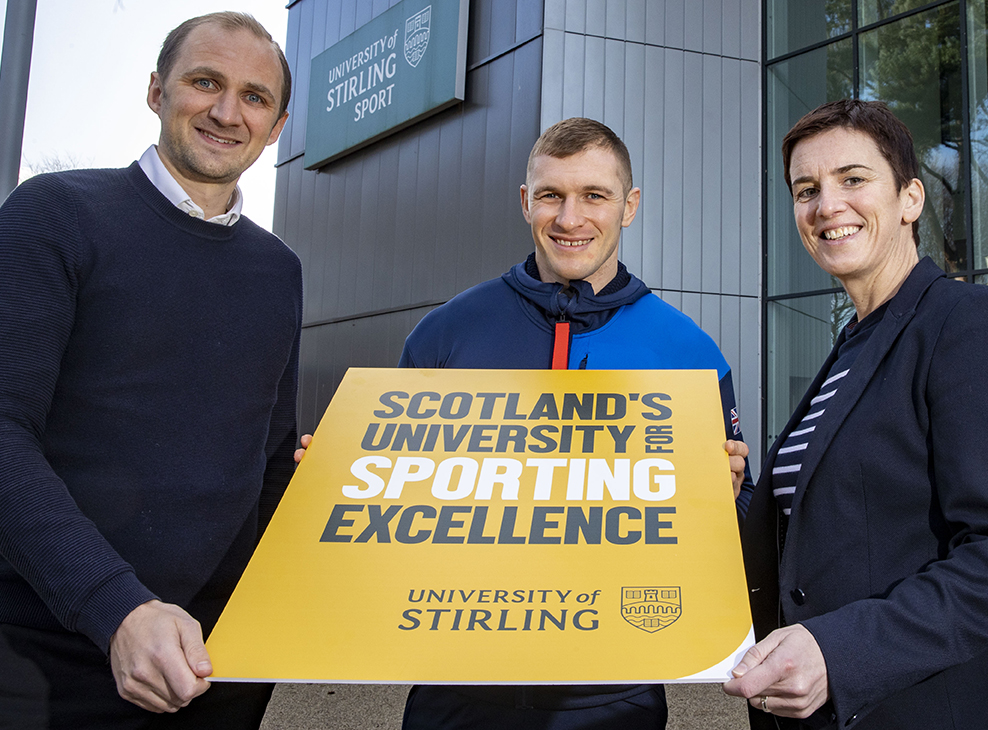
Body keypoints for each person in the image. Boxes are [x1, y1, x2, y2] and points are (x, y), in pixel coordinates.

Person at [295, 117, 752, 729]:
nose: (570, 219)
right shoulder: (447, 333)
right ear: (524, 202)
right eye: (550, 195)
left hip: (613, 699)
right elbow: (391, 511)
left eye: (594, 195)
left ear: (630, 206)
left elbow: (737, 524)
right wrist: (335, 482)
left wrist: (720, 507)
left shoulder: (689, 354)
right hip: (456, 692)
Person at [0, 12, 298, 728]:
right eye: (206, 82)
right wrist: (118, 608)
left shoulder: (278, 270)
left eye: (254, 97)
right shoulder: (55, 214)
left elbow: (268, 463)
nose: (228, 112)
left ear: (278, 125)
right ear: (155, 91)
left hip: (212, 668)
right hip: (45, 657)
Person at [724, 100, 988, 729]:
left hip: (932, 709)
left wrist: (840, 652)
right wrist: (735, 500)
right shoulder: (854, 345)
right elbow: (819, 540)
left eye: (853, 179)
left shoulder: (971, 324)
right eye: (806, 189)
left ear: (910, 199)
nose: (827, 205)